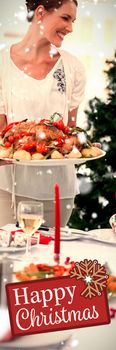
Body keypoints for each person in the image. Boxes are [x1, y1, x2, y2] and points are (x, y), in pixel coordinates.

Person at [0, 0, 86, 227]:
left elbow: (70, 132)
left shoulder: (73, 67)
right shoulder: (2, 65)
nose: (70, 28)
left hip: (58, 192)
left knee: (50, 259)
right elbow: (1, 136)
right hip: (8, 191)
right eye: (65, 18)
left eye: (73, 21)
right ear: (40, 12)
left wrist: (78, 143)